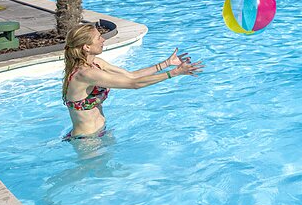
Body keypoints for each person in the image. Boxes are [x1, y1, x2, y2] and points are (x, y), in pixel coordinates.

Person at [61, 20, 204, 139]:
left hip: (100, 132)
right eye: (98, 37)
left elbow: (131, 75)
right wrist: (173, 73)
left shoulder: (96, 63)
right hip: (86, 140)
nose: (103, 39)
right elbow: (133, 84)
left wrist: (166, 64)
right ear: (86, 47)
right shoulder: (85, 74)